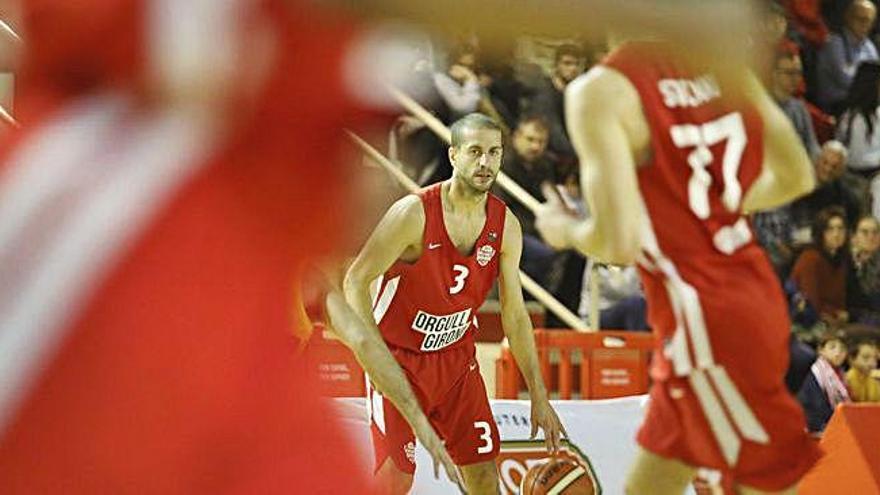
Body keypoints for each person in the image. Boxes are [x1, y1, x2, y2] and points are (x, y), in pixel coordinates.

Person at [535, 39, 821, 494]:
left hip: (704, 319)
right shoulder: (724, 62)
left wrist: (562, 229)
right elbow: (797, 175)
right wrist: (705, 211)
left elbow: (617, 242)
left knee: (762, 485)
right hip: (748, 291)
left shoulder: (601, 92)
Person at [344, 113, 566, 495]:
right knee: (394, 478)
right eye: (475, 152)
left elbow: (514, 314)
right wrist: (371, 350)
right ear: (453, 155)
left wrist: (539, 394)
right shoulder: (413, 214)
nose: (485, 163)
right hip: (400, 360)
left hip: (456, 363)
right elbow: (356, 280)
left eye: (493, 152)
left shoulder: (504, 224)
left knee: (483, 475)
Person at [815, 0, 880, 116]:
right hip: (835, 107)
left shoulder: (869, 46)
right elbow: (846, 80)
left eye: (868, 20)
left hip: (862, 103)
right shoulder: (834, 43)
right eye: (859, 19)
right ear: (848, 18)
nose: (863, 24)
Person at [797, 333, 851, 434]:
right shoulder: (813, 372)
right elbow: (811, 405)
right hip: (817, 427)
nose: (838, 352)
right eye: (832, 347)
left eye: (843, 349)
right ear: (821, 350)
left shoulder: (842, 375)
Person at [847, 215, 880, 325]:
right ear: (854, 237)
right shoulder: (845, 261)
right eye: (865, 232)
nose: (871, 237)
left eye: (875, 232)